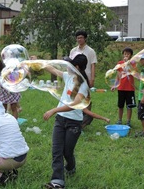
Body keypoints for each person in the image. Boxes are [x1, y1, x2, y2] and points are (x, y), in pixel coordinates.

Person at [42, 54, 109, 189]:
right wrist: (40, 63)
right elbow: (54, 70)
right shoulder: (68, 76)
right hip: (60, 120)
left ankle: (71, 167)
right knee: (57, 151)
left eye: (71, 65)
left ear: (77, 67)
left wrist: (54, 110)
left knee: (67, 152)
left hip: (74, 123)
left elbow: (74, 104)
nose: (68, 67)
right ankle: (57, 181)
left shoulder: (83, 86)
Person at [70, 30, 97, 129]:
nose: (79, 39)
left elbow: (93, 65)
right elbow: (70, 65)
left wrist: (92, 79)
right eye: (77, 38)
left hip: (86, 77)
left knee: (85, 98)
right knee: (74, 97)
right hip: (75, 78)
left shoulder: (90, 51)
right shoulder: (73, 51)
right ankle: (75, 118)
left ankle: (85, 120)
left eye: (81, 37)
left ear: (85, 38)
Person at [111, 47, 136, 127]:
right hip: (121, 88)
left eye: (128, 54)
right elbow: (118, 76)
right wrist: (115, 85)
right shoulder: (120, 63)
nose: (126, 55)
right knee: (120, 105)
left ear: (131, 55)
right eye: (125, 54)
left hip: (130, 88)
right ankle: (120, 120)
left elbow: (133, 72)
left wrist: (127, 63)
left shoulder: (132, 63)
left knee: (129, 106)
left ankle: (128, 121)